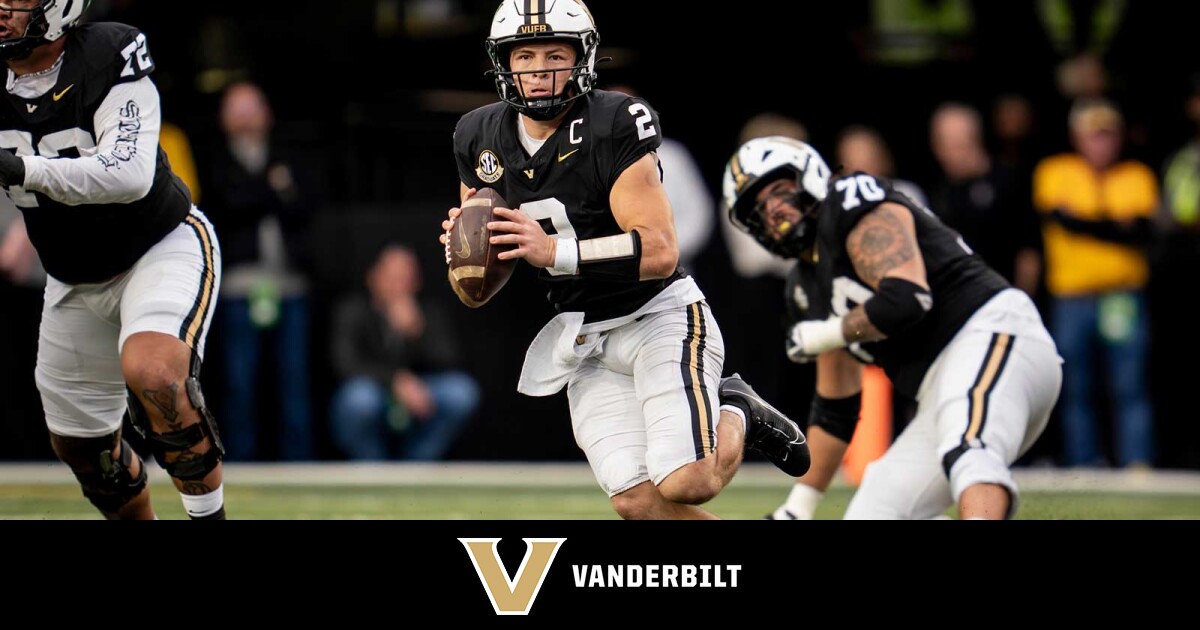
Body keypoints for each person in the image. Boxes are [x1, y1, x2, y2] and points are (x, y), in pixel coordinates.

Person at [440, 0, 808, 520]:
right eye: (524, 56)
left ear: (583, 58)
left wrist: (555, 251)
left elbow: (660, 250)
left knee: (688, 481)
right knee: (637, 503)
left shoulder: (614, 122)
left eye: (554, 55)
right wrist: (468, 246)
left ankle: (739, 409)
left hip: (658, 316)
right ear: (504, 63)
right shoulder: (479, 135)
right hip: (585, 334)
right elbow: (483, 264)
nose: (539, 71)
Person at [723, 136, 1061, 519]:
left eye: (780, 191)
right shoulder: (803, 288)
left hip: (991, 333)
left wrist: (826, 333)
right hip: (939, 387)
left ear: (808, 176)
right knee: (874, 513)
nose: (774, 210)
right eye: (759, 207)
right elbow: (836, 409)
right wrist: (798, 507)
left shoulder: (850, 198)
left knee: (969, 448)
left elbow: (907, 297)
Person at [0, 2, 225, 519]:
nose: (3, 10)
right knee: (85, 451)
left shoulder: (108, 52)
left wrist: (23, 170)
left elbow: (127, 173)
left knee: (157, 377)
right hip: (71, 276)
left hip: (156, 247)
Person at [1034, 99, 1157, 468]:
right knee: (1075, 385)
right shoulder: (1055, 171)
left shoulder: (1136, 175)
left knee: (1129, 382)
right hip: (1073, 297)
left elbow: (1138, 231)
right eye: (1093, 135)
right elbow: (1062, 221)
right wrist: (1112, 226)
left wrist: (1085, 223)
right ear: (1077, 137)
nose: (1101, 144)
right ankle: (1083, 463)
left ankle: (1136, 461)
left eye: (1107, 135)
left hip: (1121, 296)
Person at [201, 81, 314, 461]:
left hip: (289, 283)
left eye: (253, 108)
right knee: (239, 380)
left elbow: (304, 207)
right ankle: (240, 462)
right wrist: (271, 188)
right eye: (238, 109)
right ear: (223, 118)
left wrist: (258, 192)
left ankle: (298, 463)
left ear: (267, 113)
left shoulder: (287, 155)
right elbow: (227, 205)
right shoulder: (215, 161)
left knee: (293, 379)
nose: (247, 118)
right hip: (239, 285)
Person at [330, 245, 480, 461]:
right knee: (358, 400)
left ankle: (417, 464)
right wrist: (395, 380)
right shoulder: (353, 311)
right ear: (373, 278)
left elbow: (450, 359)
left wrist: (417, 333)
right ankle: (372, 465)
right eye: (391, 278)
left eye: (405, 279)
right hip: (376, 390)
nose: (398, 286)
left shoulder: (429, 312)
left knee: (461, 392)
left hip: (421, 391)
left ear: (416, 282)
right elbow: (345, 364)